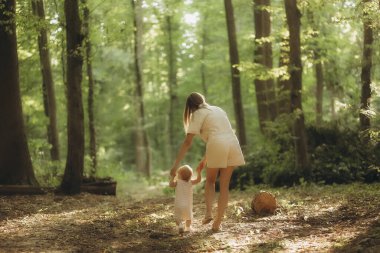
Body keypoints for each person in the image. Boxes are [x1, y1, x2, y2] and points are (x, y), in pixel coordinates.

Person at [170, 92, 245, 232]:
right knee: (224, 186)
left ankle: (209, 213)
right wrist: (205, 159)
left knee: (210, 181)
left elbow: (188, 142)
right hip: (233, 143)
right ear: (202, 100)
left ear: (190, 107)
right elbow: (220, 133)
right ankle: (217, 223)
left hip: (217, 144)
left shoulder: (197, 114)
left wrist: (175, 165)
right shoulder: (218, 109)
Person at [169, 161, 204, 233]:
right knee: (188, 217)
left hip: (178, 204)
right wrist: (199, 172)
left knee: (177, 217)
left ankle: (180, 226)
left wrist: (172, 176)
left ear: (179, 175)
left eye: (178, 174)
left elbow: (171, 184)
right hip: (187, 205)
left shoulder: (178, 182)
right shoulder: (190, 182)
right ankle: (187, 227)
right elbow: (198, 180)